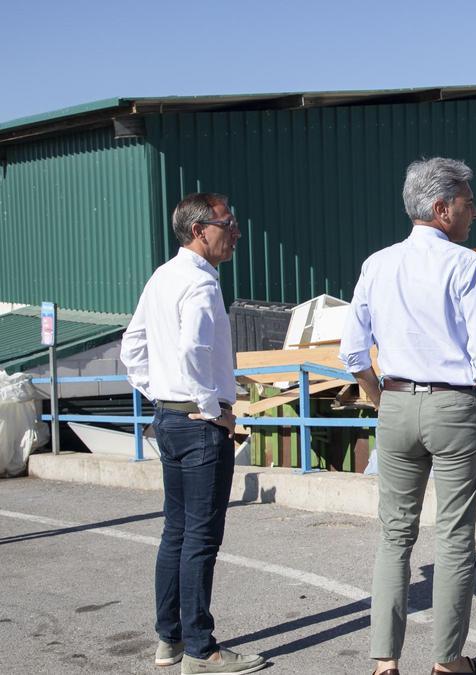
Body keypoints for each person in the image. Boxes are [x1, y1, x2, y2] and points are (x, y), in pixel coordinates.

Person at [340, 157, 476, 675]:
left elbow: (352, 350)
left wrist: (376, 394)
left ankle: (385, 662)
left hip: (396, 402)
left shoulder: (376, 263)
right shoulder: (463, 263)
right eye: (467, 203)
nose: (474, 211)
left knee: (395, 535)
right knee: (454, 535)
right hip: (454, 405)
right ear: (441, 208)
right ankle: (448, 662)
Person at [121, 193, 266, 674]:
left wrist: (157, 391)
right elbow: (192, 352)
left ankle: (170, 640)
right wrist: (211, 409)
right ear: (201, 229)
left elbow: (133, 345)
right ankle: (202, 650)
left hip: (168, 417)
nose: (236, 232)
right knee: (201, 539)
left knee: (176, 533)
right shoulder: (201, 285)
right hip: (200, 425)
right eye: (230, 222)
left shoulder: (163, 276)